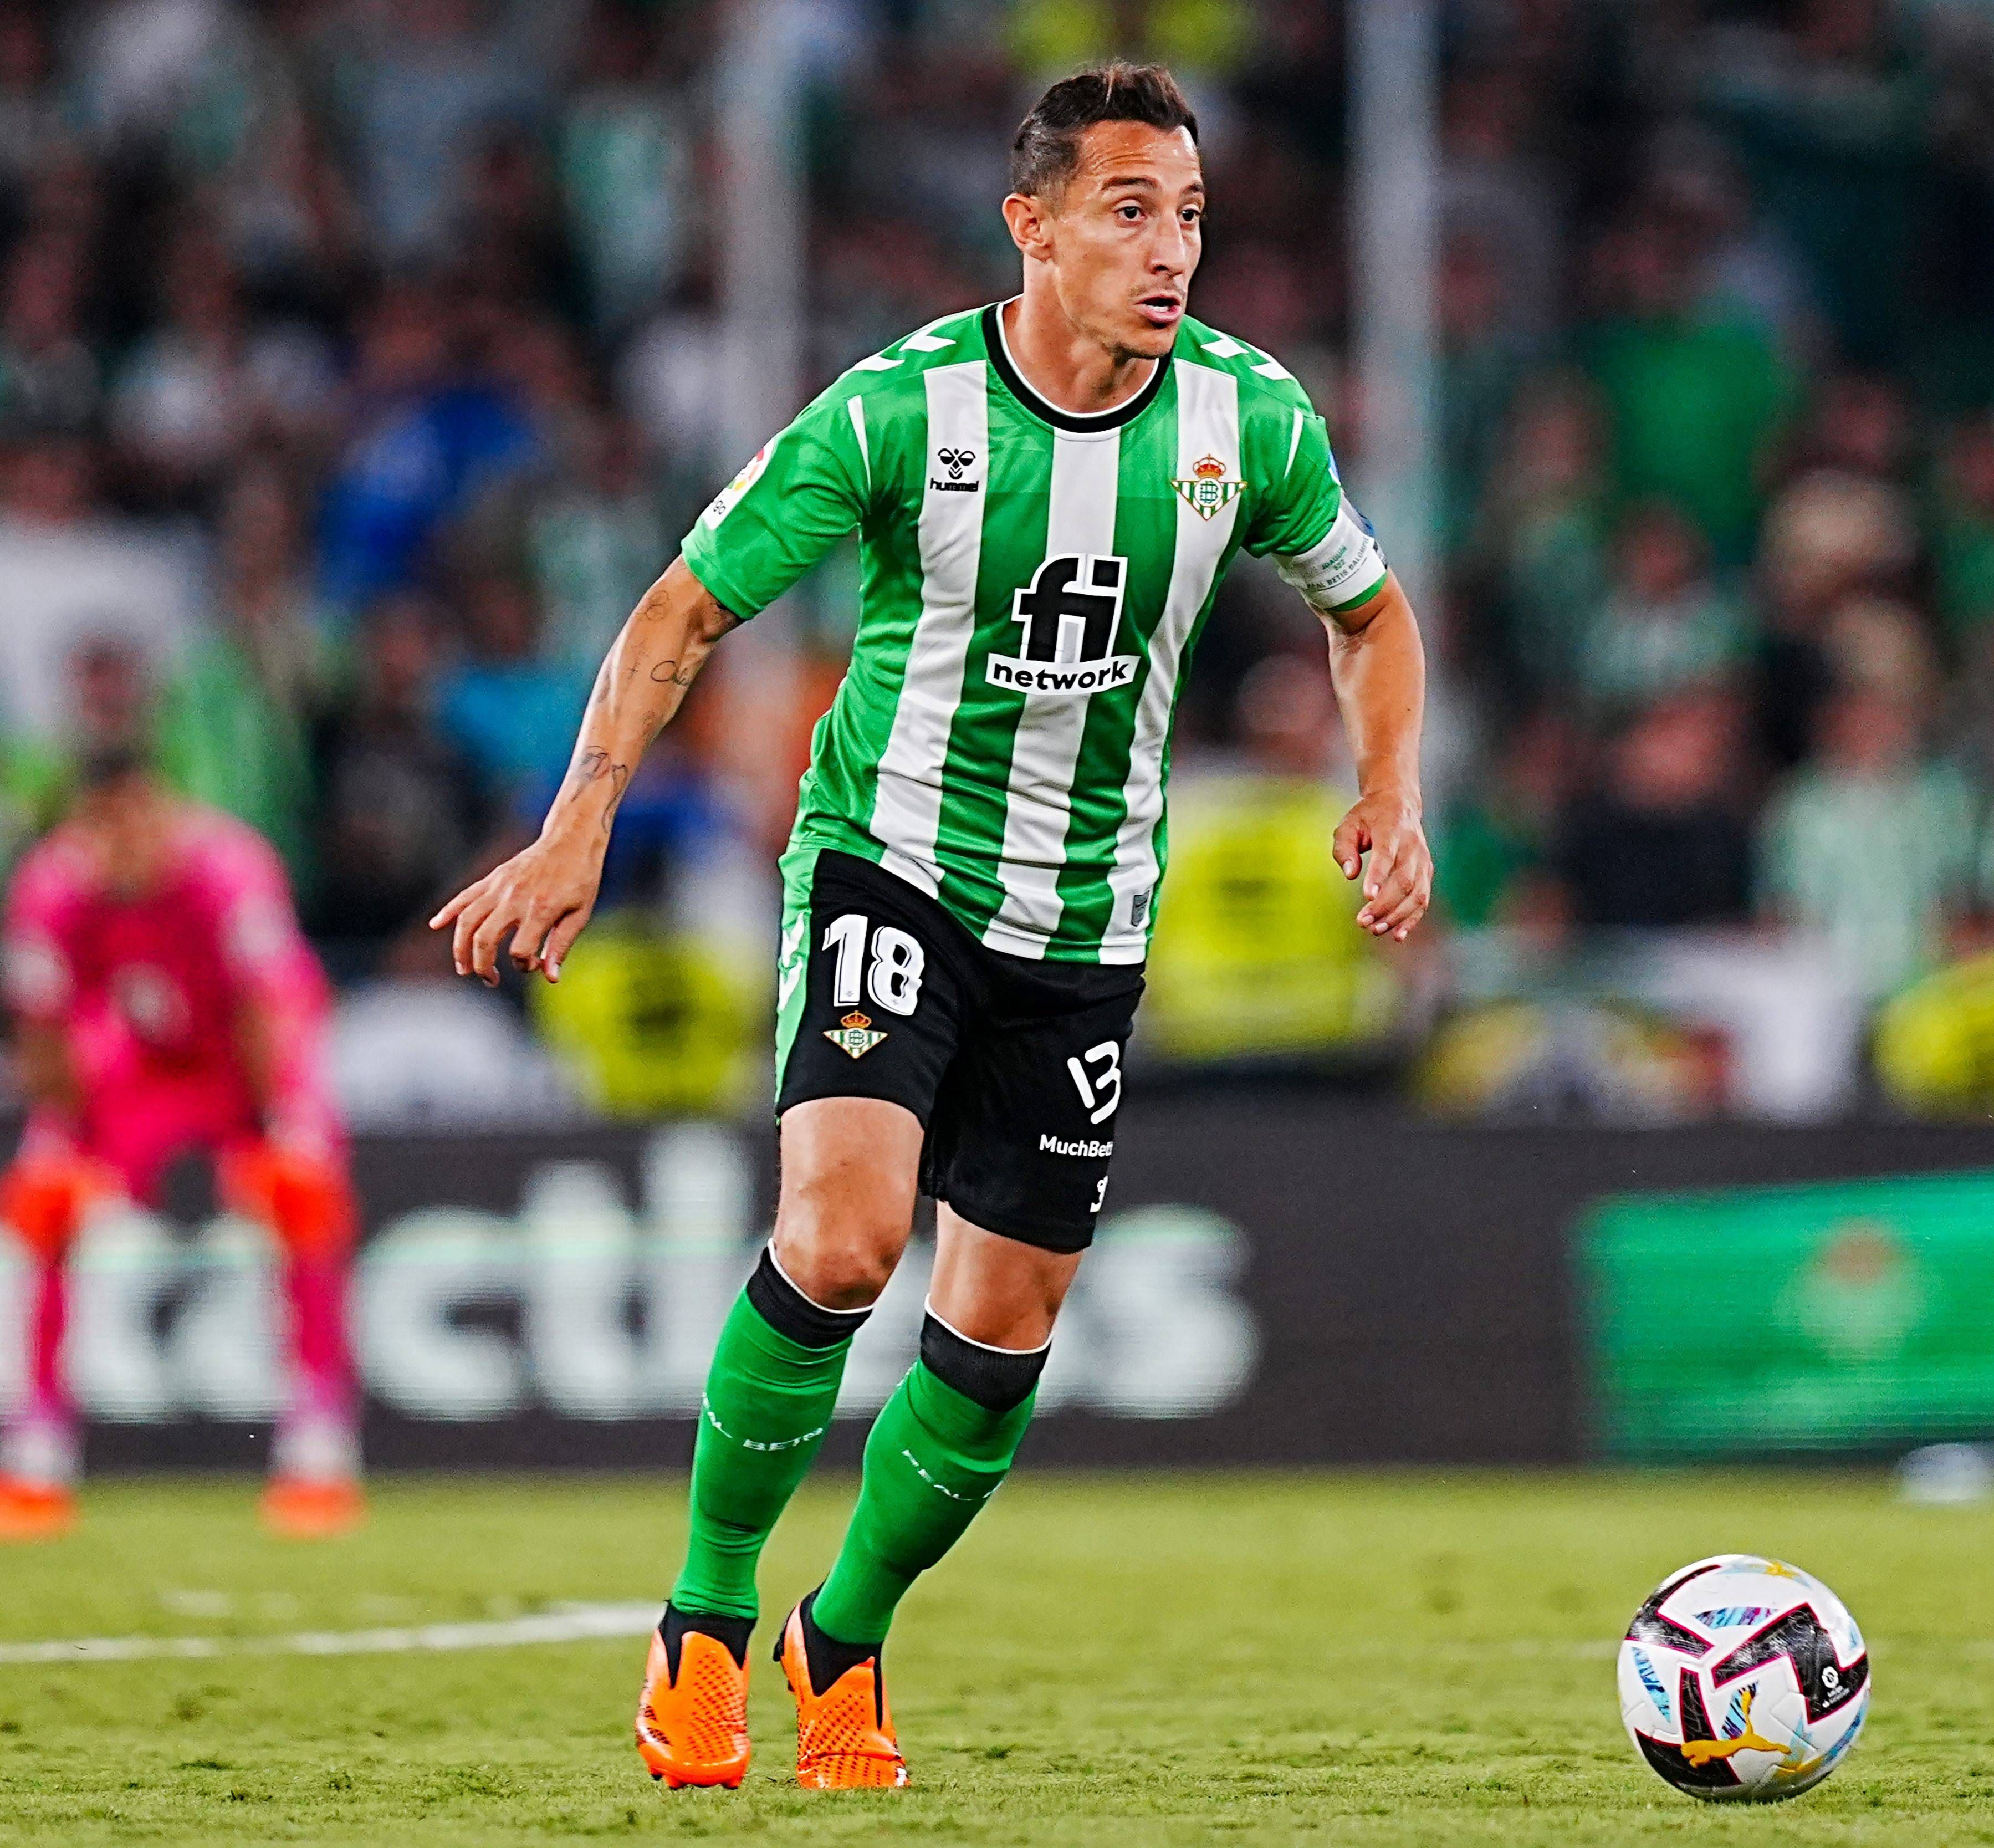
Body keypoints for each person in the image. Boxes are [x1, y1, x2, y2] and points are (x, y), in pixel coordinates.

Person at [431, 63, 1431, 1793]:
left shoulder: (1248, 421)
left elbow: (1370, 607)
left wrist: (1391, 787)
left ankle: (849, 1634)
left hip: (1088, 919)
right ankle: (705, 1620)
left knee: (1004, 1329)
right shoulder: (901, 416)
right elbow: (682, 610)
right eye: (1128, 211)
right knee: (839, 1238)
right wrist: (574, 825)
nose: (1168, 249)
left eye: (1188, 214)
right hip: (889, 864)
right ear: (1031, 228)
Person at [0, 667, 362, 1540]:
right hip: (141, 1061)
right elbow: (46, 1032)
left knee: (303, 1190)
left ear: (156, 805)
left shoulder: (229, 872)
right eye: (99, 828)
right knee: (41, 1201)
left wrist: (275, 1125)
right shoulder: (52, 889)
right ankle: (35, 1448)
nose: (118, 844)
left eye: (131, 820)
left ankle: (318, 1443)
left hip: (243, 1056)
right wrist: (69, 1133)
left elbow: (267, 1010)